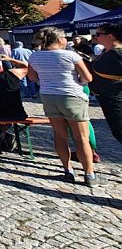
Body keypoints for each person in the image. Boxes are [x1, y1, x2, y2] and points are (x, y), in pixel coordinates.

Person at [28, 27, 100, 186]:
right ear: (60, 40)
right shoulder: (70, 55)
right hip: (71, 96)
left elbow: (32, 77)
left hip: (48, 96)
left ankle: (68, 171)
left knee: (60, 136)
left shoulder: (34, 56)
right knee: (81, 137)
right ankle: (89, 175)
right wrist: (79, 81)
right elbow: (87, 77)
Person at [88, 23, 122, 145]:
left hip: (116, 97)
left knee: (120, 131)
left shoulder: (118, 53)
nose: (95, 37)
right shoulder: (107, 51)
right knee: (117, 131)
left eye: (98, 34)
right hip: (106, 97)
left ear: (110, 36)